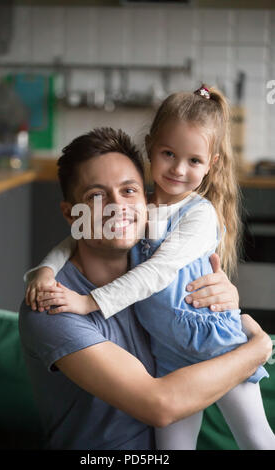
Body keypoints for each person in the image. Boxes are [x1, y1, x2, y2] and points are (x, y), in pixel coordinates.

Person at [24, 87, 275, 450]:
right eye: (97, 195)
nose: (117, 207)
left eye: (128, 190)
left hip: (208, 342)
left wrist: (231, 300)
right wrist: (42, 273)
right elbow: (161, 406)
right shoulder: (54, 306)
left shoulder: (188, 219)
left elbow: (162, 271)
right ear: (72, 213)